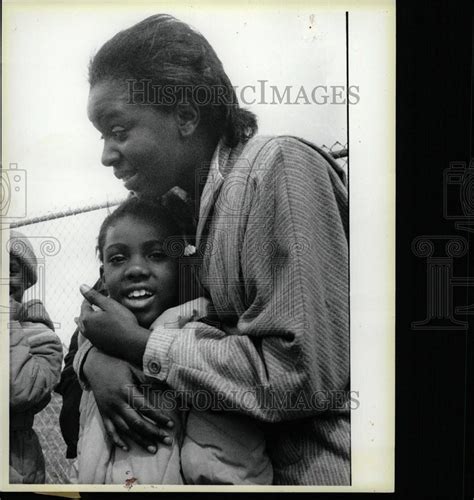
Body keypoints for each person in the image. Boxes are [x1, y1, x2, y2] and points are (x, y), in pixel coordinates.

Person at [75, 13, 349, 484]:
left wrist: (143, 347)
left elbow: (304, 378)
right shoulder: (163, 210)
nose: (106, 154)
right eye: (102, 136)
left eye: (118, 130)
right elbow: (101, 315)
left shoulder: (276, 172)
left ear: (185, 115)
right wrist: (94, 360)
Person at [75, 196, 272, 484]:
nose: (136, 269)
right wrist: (90, 357)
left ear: (181, 266)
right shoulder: (92, 343)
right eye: (118, 258)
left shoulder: (202, 339)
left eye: (156, 255)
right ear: (102, 276)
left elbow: (223, 468)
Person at [9, 230, 63, 483]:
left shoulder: (41, 337)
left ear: (27, 280)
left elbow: (20, 391)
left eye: (10, 270)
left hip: (14, 459)